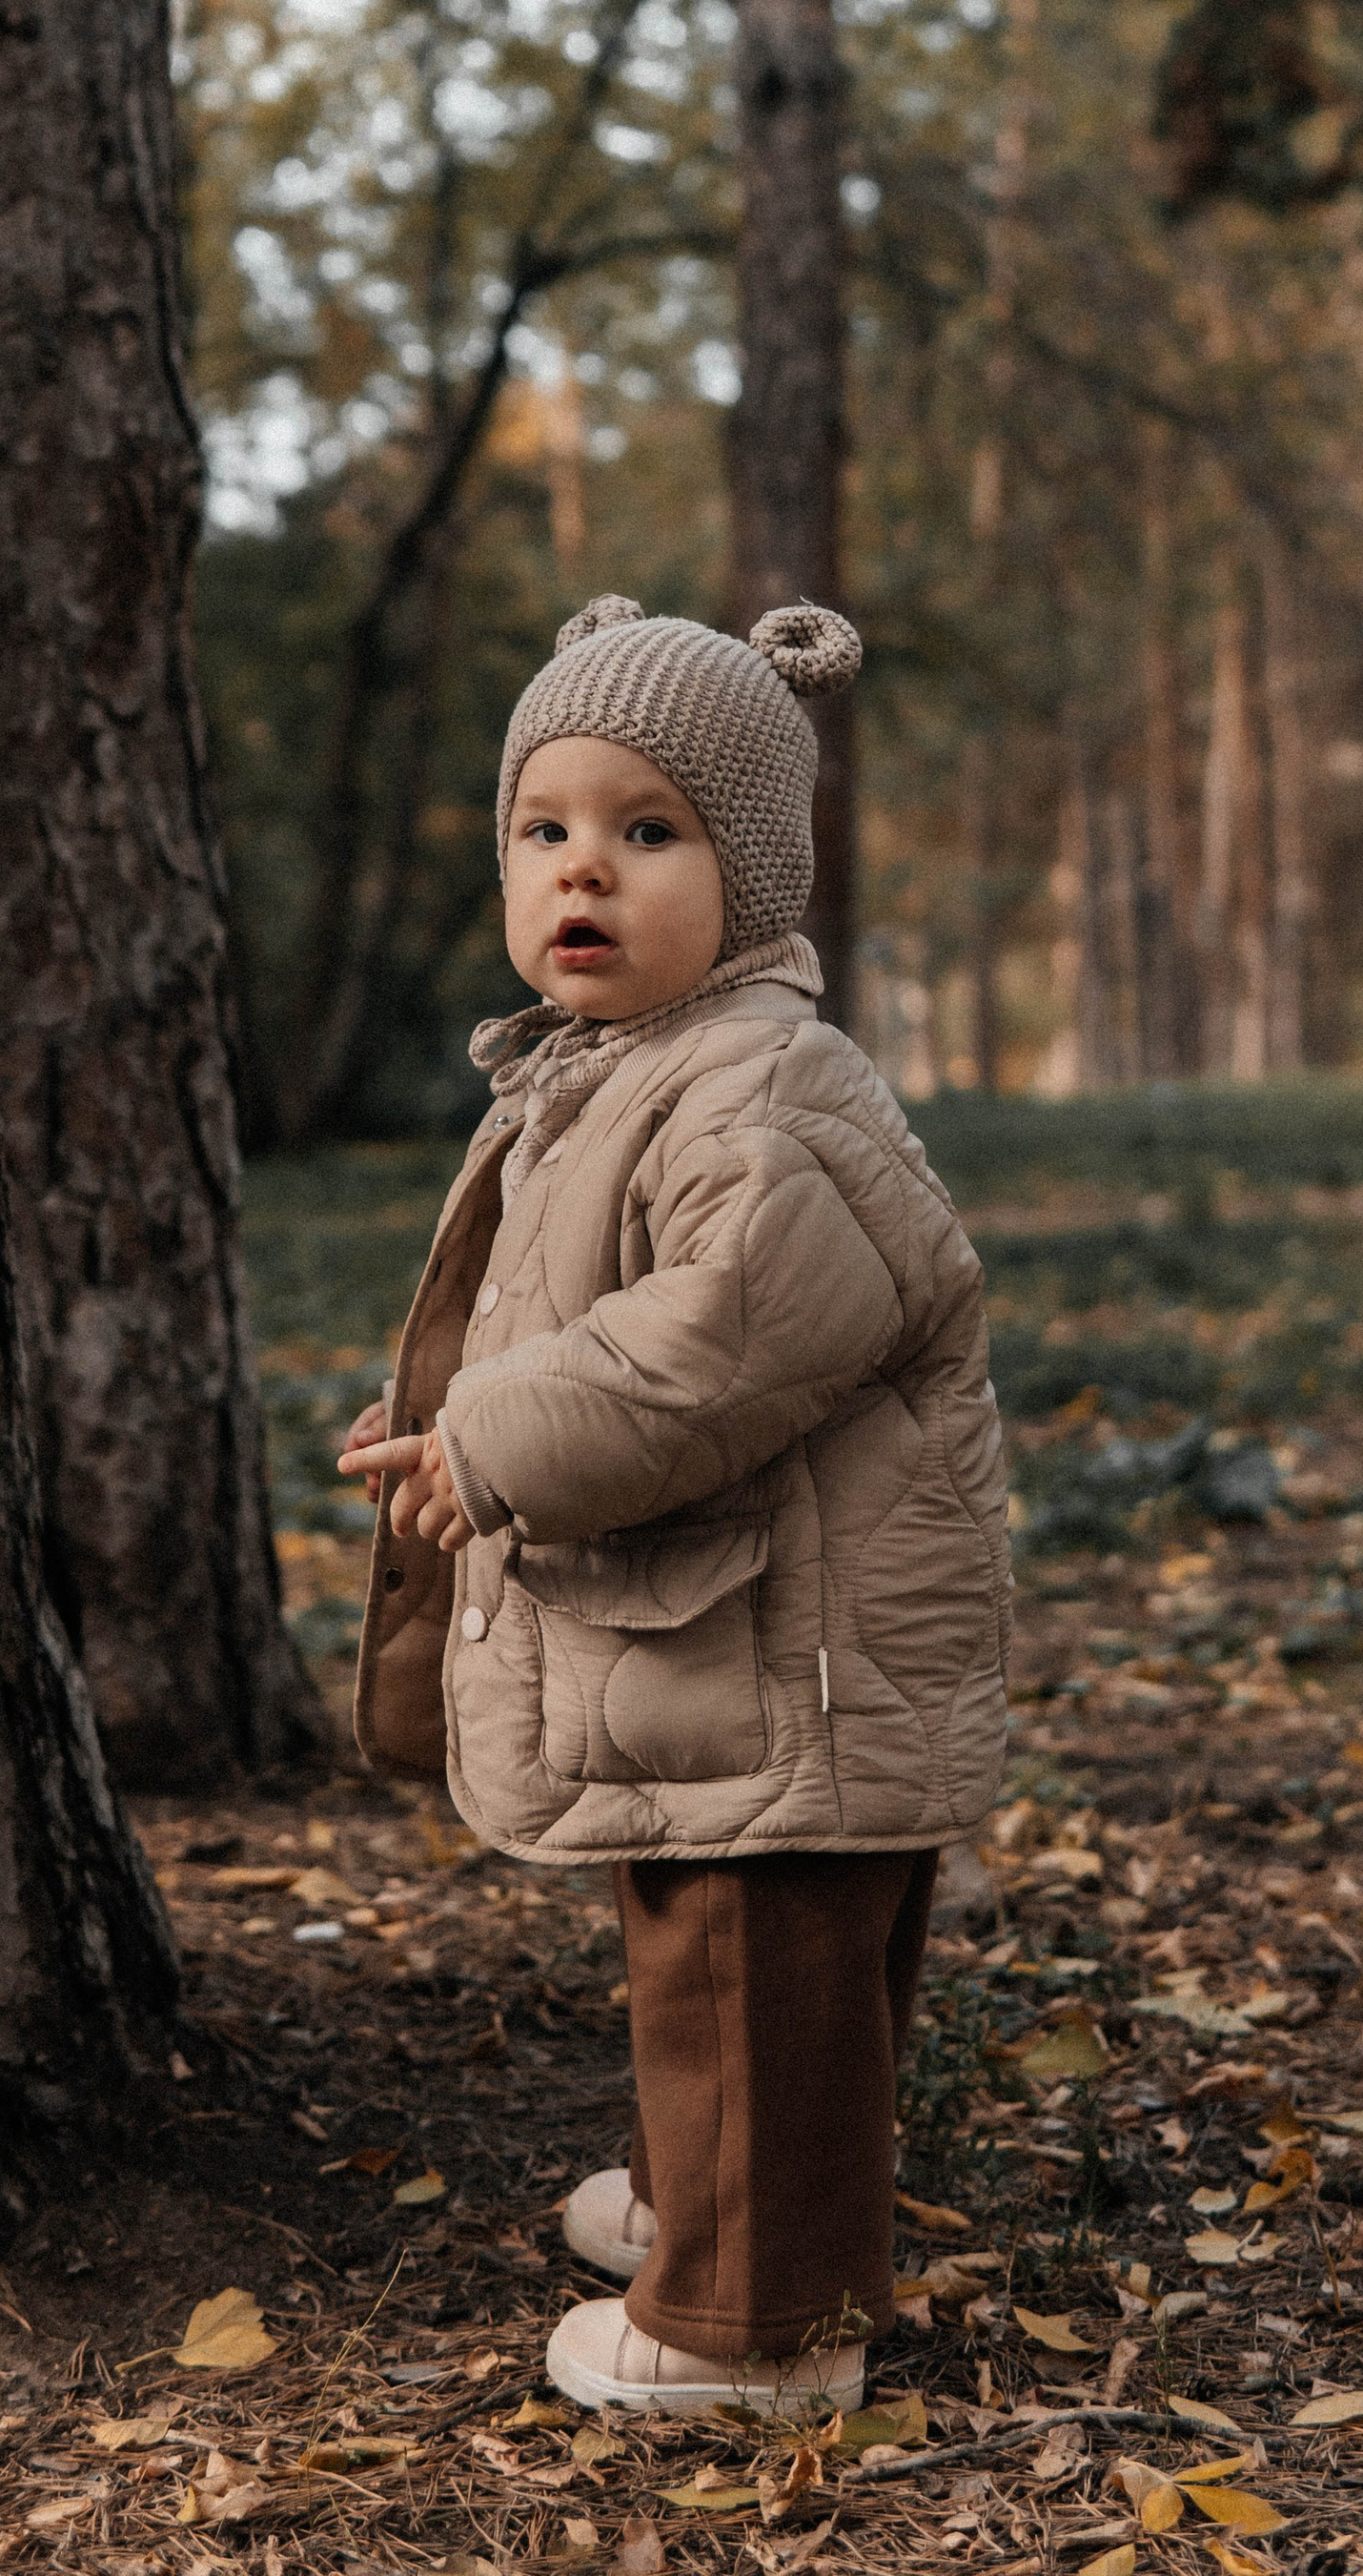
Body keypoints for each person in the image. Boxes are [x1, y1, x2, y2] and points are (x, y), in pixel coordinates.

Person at [339, 593, 1009, 2417]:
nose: (585, 874)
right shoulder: (621, 1075)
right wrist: (455, 1418)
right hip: (728, 1620)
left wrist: (495, 1440)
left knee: (755, 1954)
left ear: (757, 880)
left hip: (789, 1643)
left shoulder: (765, 1089)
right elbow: (575, 1314)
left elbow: (715, 1341)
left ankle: (755, 2329)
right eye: (545, 832)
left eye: (651, 834)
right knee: (728, 1964)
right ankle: (716, 2210)